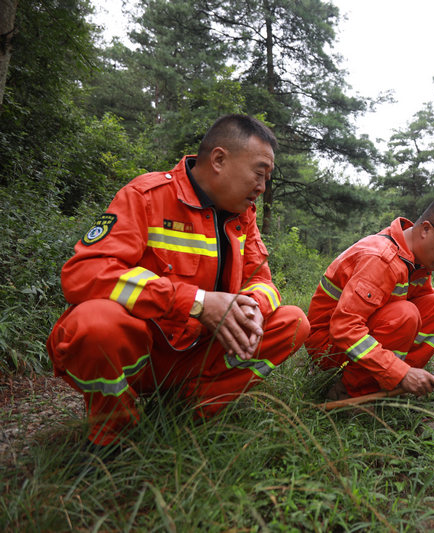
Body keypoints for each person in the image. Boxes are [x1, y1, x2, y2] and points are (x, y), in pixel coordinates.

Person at [47, 114, 310, 452]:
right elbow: (84, 272)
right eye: (259, 174)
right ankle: (111, 436)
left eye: (267, 178)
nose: (262, 187)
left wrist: (253, 308)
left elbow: (262, 280)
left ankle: (184, 415)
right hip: (145, 350)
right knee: (95, 323)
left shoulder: (243, 217)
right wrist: (197, 303)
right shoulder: (146, 196)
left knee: (292, 323)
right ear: (219, 160)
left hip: (199, 352)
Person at [306, 198, 434, 399]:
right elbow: (344, 327)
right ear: (425, 229)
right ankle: (351, 392)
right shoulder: (381, 259)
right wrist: (399, 371)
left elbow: (431, 312)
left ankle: (389, 385)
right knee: (405, 314)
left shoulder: (415, 262)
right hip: (328, 349)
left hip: (353, 338)